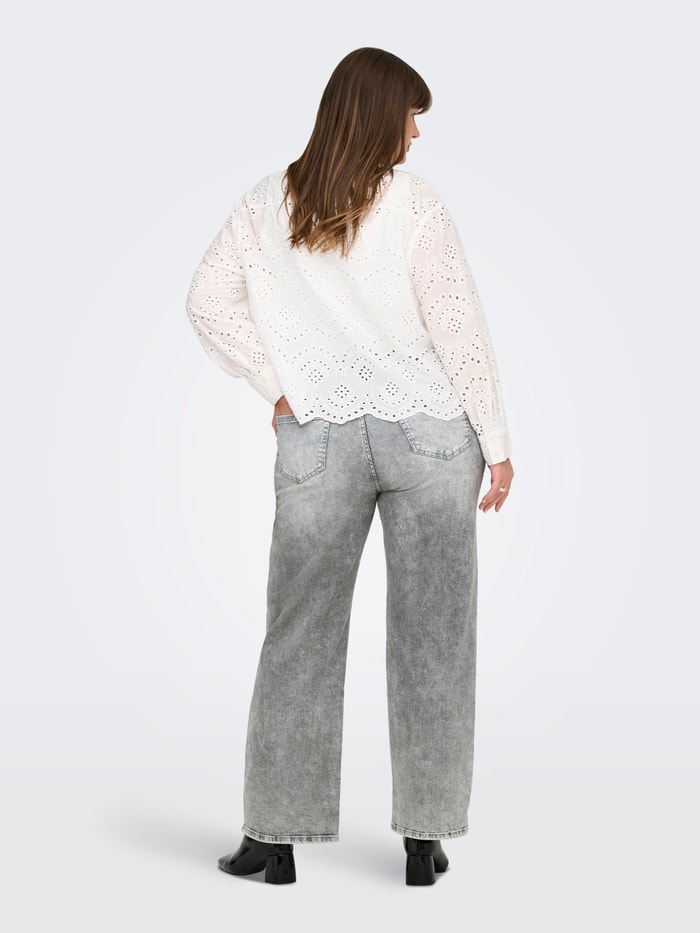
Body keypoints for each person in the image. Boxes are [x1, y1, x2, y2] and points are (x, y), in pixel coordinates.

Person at [185, 47, 514, 887]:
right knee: (435, 638)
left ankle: (273, 841)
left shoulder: (270, 202)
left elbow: (207, 299)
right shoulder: (415, 205)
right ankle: (424, 841)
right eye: (410, 116)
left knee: (297, 631)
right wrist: (498, 442)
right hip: (431, 437)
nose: (415, 135)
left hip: (319, 438)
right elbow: (458, 327)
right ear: (376, 114)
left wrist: (280, 385)